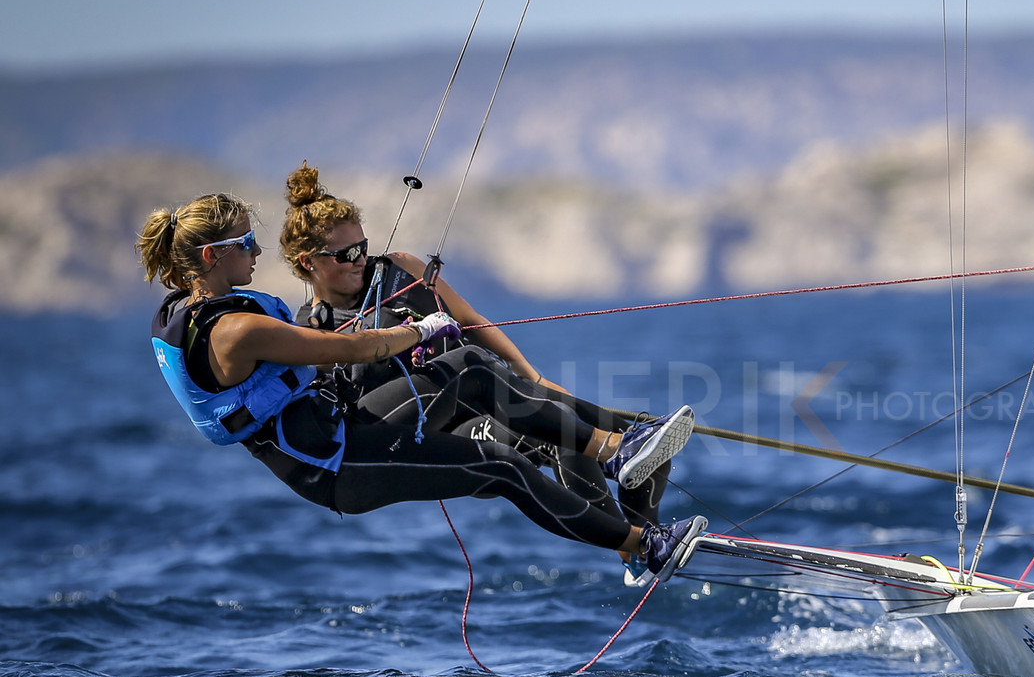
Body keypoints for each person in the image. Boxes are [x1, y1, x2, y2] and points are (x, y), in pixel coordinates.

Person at [139, 191, 706, 580]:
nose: (257, 253)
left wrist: (447, 345)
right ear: (211, 256)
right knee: (505, 467)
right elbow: (349, 349)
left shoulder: (195, 309)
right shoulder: (236, 331)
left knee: (474, 369)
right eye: (245, 245)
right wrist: (418, 331)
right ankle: (643, 546)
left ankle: (615, 452)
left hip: (341, 431)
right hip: (336, 467)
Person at [278, 163, 687, 581]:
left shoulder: (401, 267)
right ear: (308, 263)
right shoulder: (311, 332)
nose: (359, 260)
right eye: (346, 255)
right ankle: (631, 546)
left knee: (646, 440)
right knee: (563, 439)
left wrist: (534, 377)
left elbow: (472, 320)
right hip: (447, 427)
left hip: (494, 389)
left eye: (362, 247)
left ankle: (647, 536)